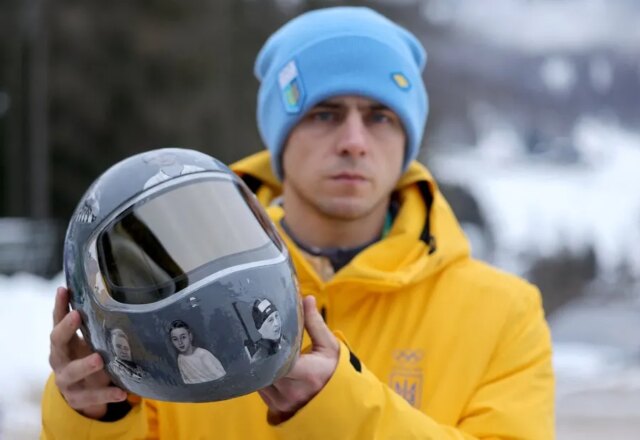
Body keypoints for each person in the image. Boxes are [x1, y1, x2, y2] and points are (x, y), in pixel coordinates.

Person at [41, 6, 555, 439]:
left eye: (380, 117)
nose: (354, 141)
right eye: (324, 114)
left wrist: (340, 409)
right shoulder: (167, 290)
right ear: (280, 136)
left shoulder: (503, 314)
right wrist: (93, 416)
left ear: (407, 139)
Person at [168, 320, 226, 384]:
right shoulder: (180, 358)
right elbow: (186, 380)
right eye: (175, 339)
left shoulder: (203, 355)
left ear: (190, 336)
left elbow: (221, 377)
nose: (180, 342)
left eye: (183, 337)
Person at [245, 299, 283, 363]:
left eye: (276, 316)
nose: (276, 323)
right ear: (260, 329)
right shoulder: (258, 357)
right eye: (270, 320)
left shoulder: (284, 341)